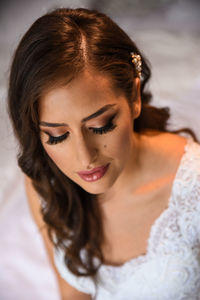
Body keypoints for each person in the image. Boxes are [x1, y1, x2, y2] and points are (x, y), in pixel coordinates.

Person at [7, 7, 200, 300]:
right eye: (57, 136)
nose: (85, 158)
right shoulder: (44, 182)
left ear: (134, 97)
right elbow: (72, 295)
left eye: (100, 126)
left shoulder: (194, 190)